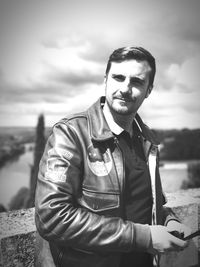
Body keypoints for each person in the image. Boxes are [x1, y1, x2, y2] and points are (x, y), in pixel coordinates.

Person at [35, 46, 191, 267]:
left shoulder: (147, 139)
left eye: (136, 81)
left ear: (149, 90)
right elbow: (52, 218)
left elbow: (149, 203)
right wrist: (144, 237)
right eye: (118, 77)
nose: (125, 88)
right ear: (105, 80)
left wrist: (169, 221)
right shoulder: (71, 134)